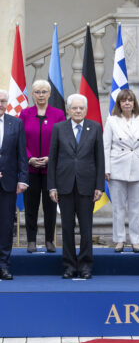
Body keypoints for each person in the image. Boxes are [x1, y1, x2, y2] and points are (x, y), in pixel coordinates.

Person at [48, 94, 105, 279]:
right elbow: (53, 159)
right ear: (68, 109)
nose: (78, 111)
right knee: (67, 228)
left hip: (87, 186)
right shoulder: (58, 128)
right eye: (74, 108)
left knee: (86, 228)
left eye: (81, 108)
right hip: (64, 185)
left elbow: (99, 159)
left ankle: (86, 266)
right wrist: (52, 187)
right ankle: (69, 266)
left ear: (86, 110)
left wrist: (99, 186)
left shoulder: (95, 127)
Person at [19, 80, 65, 253]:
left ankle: (49, 240)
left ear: (50, 94)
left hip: (50, 169)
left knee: (50, 206)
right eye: (37, 92)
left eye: (44, 92)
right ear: (32, 94)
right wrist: (29, 158)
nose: (41, 95)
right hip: (30, 168)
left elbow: (62, 140)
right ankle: (31, 240)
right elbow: (20, 140)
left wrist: (50, 158)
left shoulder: (58, 114)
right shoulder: (24, 114)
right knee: (30, 206)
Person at [103, 89, 139, 253]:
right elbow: (106, 147)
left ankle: (135, 240)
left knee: (136, 208)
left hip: (138, 166)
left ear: (134, 103)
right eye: (124, 101)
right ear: (119, 104)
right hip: (117, 167)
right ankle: (119, 240)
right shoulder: (112, 121)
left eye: (130, 100)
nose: (127, 103)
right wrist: (106, 169)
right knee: (119, 208)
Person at [0, 89, 28, 280]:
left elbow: (21, 155)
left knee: (6, 226)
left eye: (3, 101)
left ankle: (3, 265)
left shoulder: (16, 123)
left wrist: (23, 179)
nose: (0, 104)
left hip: (8, 184)